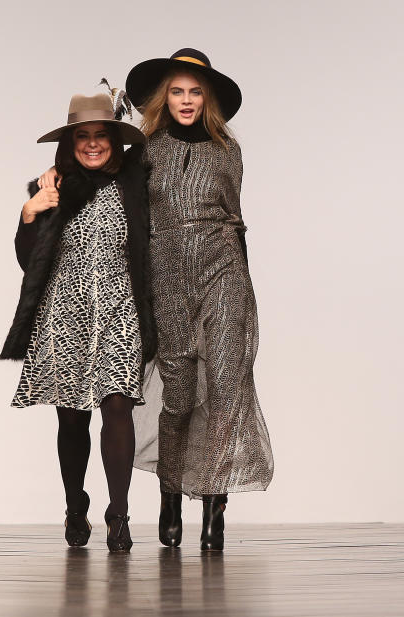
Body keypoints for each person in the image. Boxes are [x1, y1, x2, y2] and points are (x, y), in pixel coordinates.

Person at [125, 48, 273, 551]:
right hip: (167, 277)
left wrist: (245, 288)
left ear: (206, 97)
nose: (186, 100)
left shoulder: (227, 149)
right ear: (163, 97)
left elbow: (237, 217)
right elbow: (132, 224)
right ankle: (170, 495)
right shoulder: (143, 151)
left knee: (226, 386)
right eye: (177, 90)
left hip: (224, 270)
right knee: (180, 397)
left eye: (195, 91)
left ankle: (214, 508)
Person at [1, 92, 155, 553]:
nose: (92, 145)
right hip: (64, 312)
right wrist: (31, 212)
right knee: (71, 418)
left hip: (119, 309)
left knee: (118, 406)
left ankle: (119, 515)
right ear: (70, 143)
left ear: (114, 141)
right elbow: (29, 261)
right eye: (83, 136)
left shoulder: (134, 183)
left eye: (101, 136)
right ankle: (74, 505)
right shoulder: (51, 187)